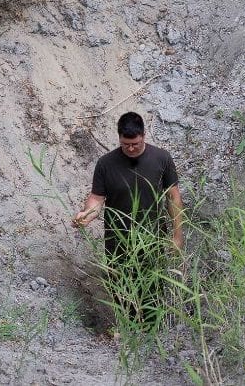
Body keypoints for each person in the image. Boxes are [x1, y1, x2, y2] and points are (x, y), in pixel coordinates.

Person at [72, 111, 183, 330]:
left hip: (153, 238)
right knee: (121, 289)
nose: (130, 149)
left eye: (135, 144)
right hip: (118, 241)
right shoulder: (106, 163)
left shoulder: (162, 158)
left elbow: (174, 197)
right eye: (125, 145)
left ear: (143, 136)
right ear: (119, 138)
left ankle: (153, 333)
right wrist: (86, 215)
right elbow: (97, 199)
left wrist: (177, 235)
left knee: (153, 288)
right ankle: (128, 331)